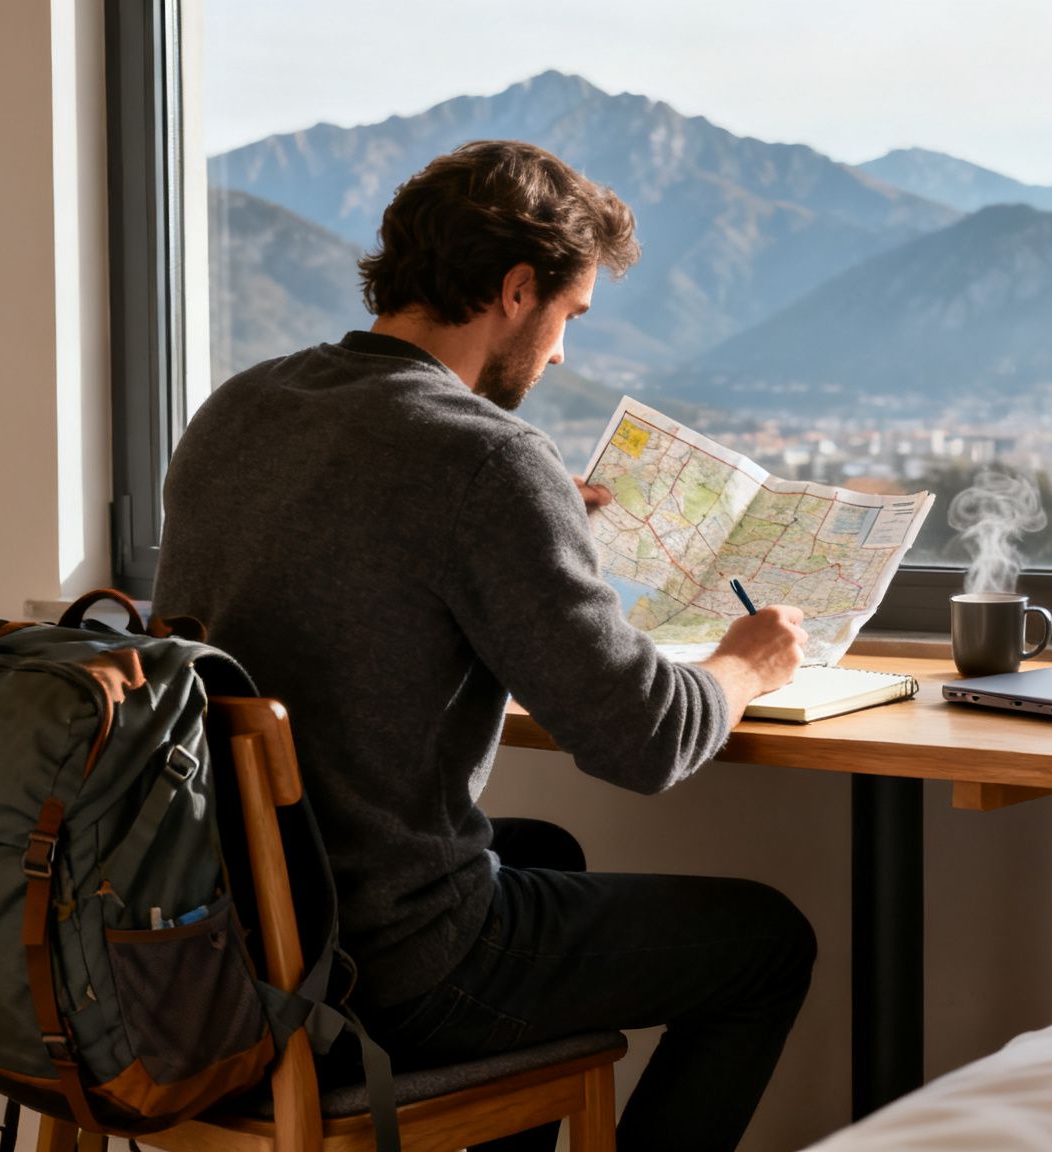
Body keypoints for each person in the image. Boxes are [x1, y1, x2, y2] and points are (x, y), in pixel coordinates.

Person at [153, 140, 816, 1152]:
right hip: (383, 966)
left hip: (228, 939)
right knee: (767, 943)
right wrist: (745, 663)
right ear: (517, 290)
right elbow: (643, 741)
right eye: (568, 319)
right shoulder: (485, 458)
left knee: (543, 854)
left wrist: (544, 535)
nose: (560, 356)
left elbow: (360, 580)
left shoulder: (237, 410)